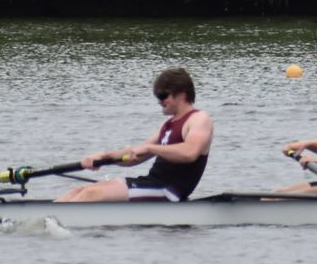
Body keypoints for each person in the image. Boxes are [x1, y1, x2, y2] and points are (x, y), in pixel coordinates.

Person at [55, 67, 214, 203]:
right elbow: (135, 155)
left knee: (92, 194)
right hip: (151, 183)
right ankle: (42, 222)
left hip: (169, 190)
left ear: (181, 94)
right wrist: (101, 157)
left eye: (162, 96)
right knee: (80, 190)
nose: (159, 102)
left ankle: (58, 224)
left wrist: (151, 148)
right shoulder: (167, 125)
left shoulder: (199, 119)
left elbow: (190, 153)